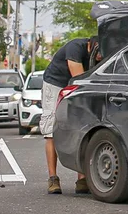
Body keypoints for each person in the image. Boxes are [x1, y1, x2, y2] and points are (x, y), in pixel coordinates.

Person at [41, 37, 98, 194]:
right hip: (56, 85)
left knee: (81, 129)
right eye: (99, 54)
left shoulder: (100, 54)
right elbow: (79, 81)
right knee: (51, 129)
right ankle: (53, 179)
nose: (101, 58)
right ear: (92, 46)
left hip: (75, 86)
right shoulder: (76, 47)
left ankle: (82, 179)